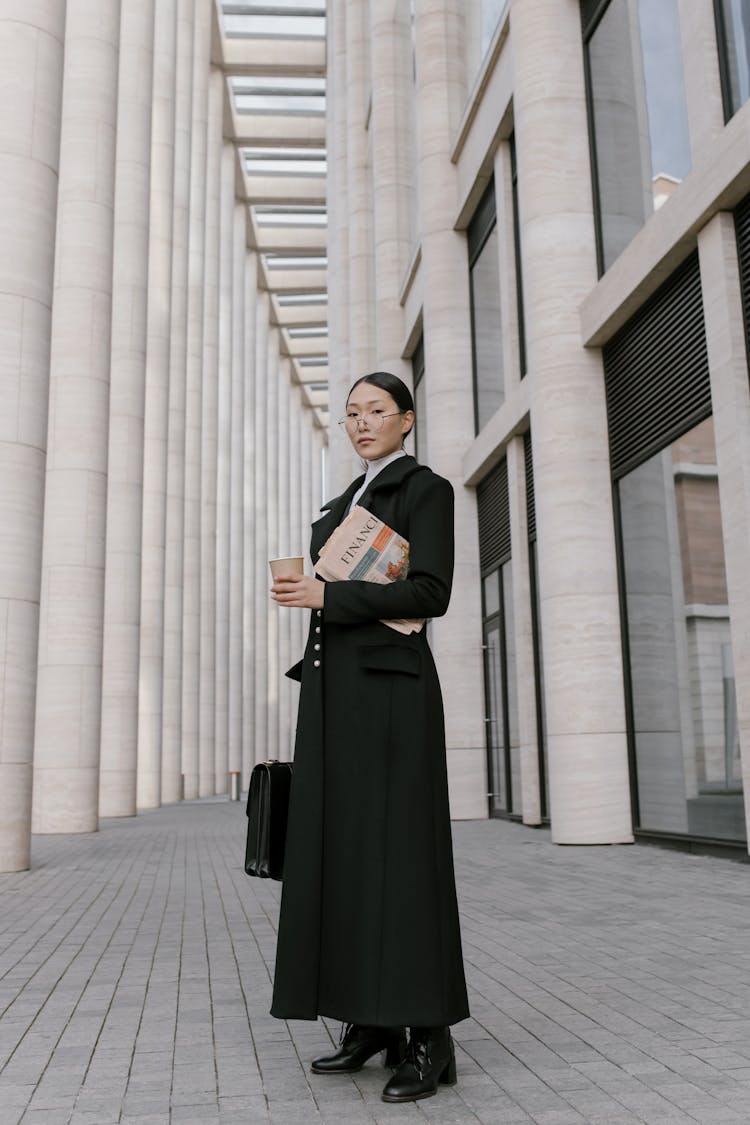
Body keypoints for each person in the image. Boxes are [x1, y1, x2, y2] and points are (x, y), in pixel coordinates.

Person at [269, 371, 469, 1104]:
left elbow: (431, 592)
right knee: (345, 857)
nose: (361, 423)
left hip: (392, 702)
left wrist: (328, 594)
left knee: (402, 859)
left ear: (406, 420)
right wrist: (307, 596)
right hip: (333, 704)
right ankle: (370, 1020)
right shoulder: (336, 508)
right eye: (351, 412)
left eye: (376, 411)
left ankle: (428, 1033)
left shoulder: (427, 490)